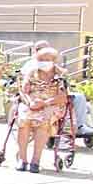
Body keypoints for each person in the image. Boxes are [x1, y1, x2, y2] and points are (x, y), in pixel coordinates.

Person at [14, 44, 66, 173]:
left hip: (51, 105)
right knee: (23, 121)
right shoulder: (32, 73)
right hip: (31, 104)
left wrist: (44, 103)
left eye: (46, 60)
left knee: (43, 122)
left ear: (54, 61)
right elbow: (23, 91)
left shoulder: (60, 75)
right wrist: (30, 102)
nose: (43, 63)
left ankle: (35, 161)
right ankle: (22, 159)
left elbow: (63, 97)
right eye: (40, 60)